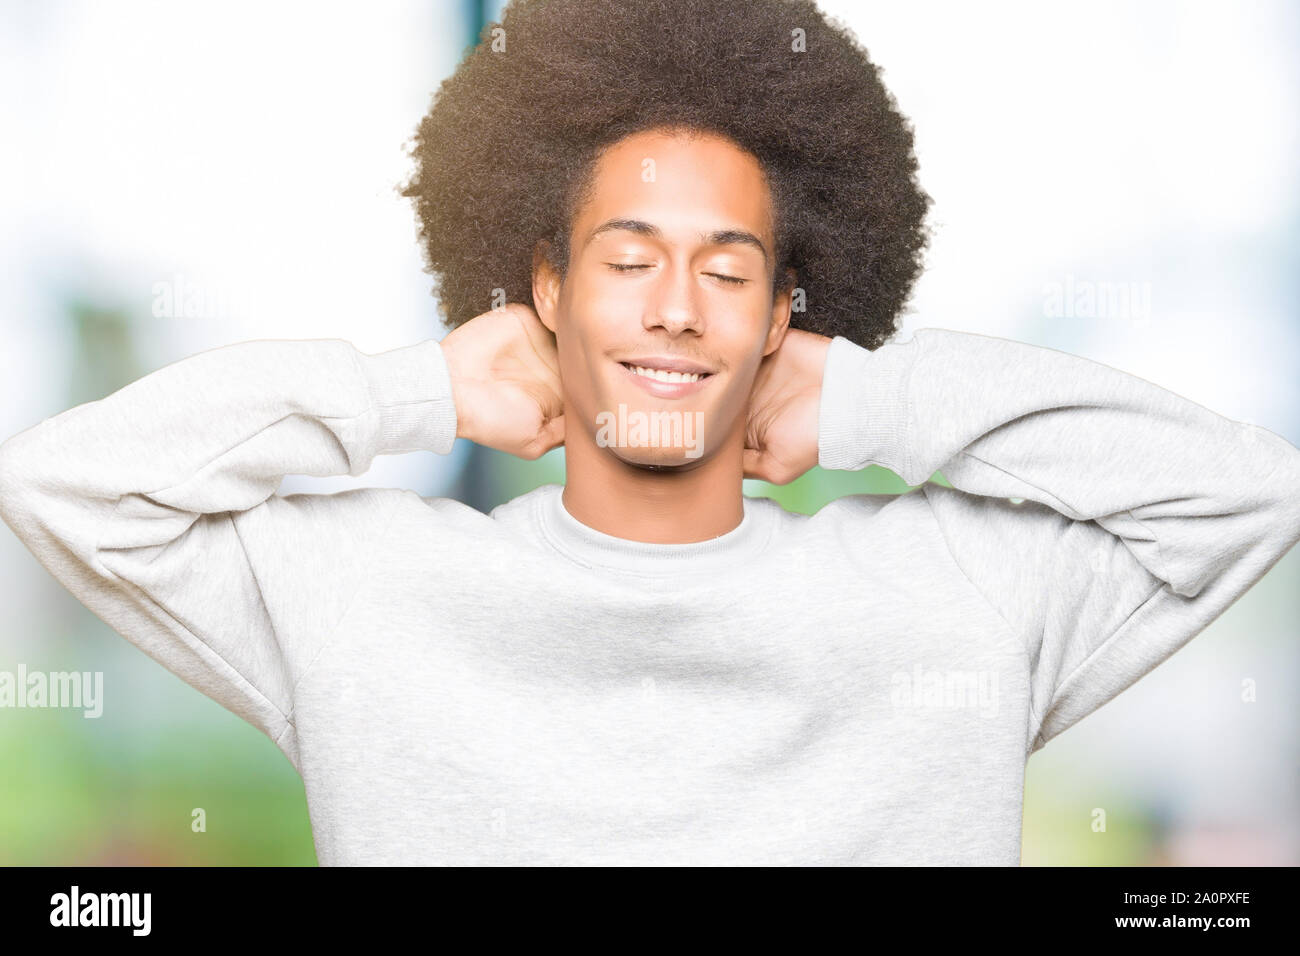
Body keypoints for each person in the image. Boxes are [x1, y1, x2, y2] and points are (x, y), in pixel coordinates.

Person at [2, 0, 1298, 866]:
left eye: (727, 273)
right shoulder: (366, 592)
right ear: (545, 293)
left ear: (788, 315)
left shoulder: (962, 589)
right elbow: (61, 484)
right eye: (628, 262)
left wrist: (871, 400)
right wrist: (421, 391)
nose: (677, 311)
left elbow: (1249, 496)